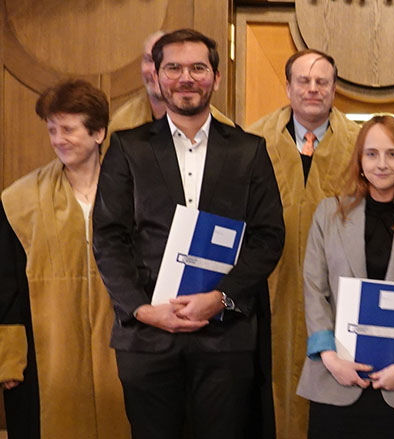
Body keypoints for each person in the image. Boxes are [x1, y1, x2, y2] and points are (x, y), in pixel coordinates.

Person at [92, 29, 285, 439]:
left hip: (225, 337)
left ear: (216, 77)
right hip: (147, 335)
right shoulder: (127, 148)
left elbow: (268, 237)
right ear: (157, 76)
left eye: (198, 68)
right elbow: (108, 238)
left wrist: (221, 297)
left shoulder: (249, 150)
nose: (186, 78)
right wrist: (142, 309)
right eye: (173, 68)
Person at [297, 114, 394, 439]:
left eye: (392, 154)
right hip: (337, 377)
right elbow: (314, 288)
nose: (382, 164)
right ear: (360, 160)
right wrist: (330, 358)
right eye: (372, 154)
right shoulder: (328, 213)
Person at [0, 80, 131, 439]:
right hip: (47, 356)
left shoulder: (132, 194)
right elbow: (6, 286)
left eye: (69, 129)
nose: (59, 139)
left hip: (123, 348)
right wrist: (9, 358)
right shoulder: (20, 200)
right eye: (52, 130)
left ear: (98, 133)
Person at [245, 48, 362, 439]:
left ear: (334, 89)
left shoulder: (360, 143)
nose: (313, 89)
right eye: (304, 81)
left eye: (322, 81)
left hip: (338, 291)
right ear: (288, 87)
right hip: (267, 286)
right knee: (266, 388)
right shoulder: (253, 140)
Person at [107, 31, 234, 139]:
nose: (154, 69)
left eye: (173, 66)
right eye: (149, 60)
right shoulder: (121, 124)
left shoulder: (225, 131)